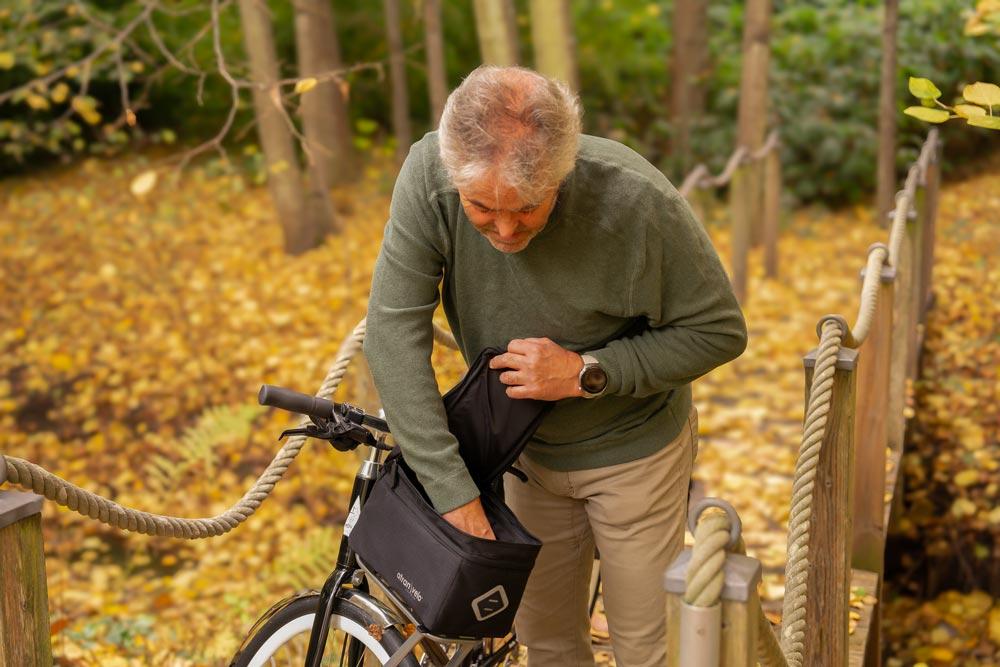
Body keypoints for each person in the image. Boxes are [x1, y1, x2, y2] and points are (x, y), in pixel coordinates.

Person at [363, 65, 747, 667]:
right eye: (482, 207)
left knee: (644, 648)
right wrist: (453, 493)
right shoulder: (428, 175)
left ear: (562, 174)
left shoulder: (636, 202)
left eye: (527, 207)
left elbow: (720, 331)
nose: (506, 230)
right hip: (522, 456)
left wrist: (587, 372)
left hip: (633, 451)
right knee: (547, 646)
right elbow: (392, 331)